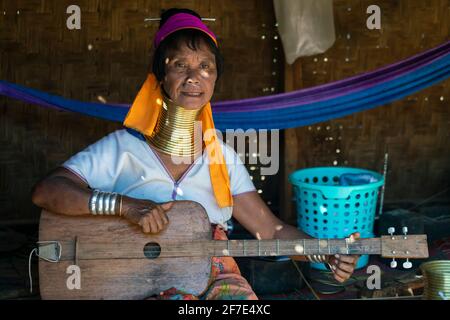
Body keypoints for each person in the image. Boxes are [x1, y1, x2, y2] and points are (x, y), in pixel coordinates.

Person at [31, 8, 359, 300]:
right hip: (133, 276)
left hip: (213, 275)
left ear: (215, 78)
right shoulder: (123, 148)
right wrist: (125, 206)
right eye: (180, 65)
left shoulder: (223, 157)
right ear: (161, 75)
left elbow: (270, 231)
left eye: (206, 66)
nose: (194, 78)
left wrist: (325, 252)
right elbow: (48, 192)